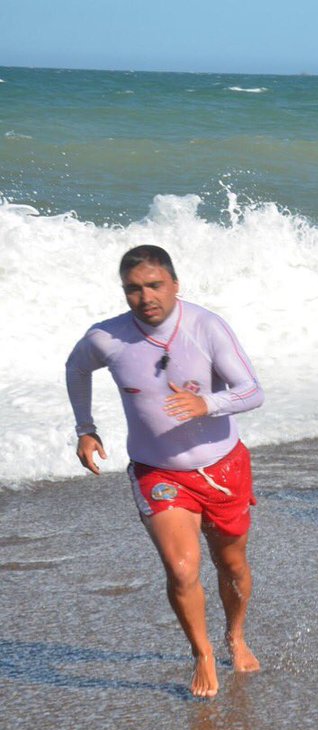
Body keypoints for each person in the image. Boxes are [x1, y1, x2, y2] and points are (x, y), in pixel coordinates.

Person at [65, 244, 265, 698]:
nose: (145, 296)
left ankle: (235, 635)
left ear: (175, 284)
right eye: (133, 289)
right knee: (180, 568)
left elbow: (252, 391)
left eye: (154, 285)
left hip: (222, 467)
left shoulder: (206, 327)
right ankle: (203, 652)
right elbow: (76, 369)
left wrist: (206, 404)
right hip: (159, 472)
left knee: (231, 563)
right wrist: (85, 428)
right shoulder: (106, 338)